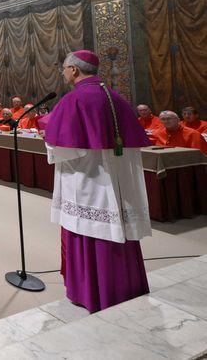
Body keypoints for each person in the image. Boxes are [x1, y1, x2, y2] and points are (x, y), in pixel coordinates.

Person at [42, 50, 151, 313]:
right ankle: (126, 286)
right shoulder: (114, 96)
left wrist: (46, 131)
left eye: (64, 68)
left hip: (89, 182)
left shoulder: (75, 98)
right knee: (115, 226)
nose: (63, 73)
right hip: (117, 180)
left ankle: (93, 292)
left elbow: (62, 147)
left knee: (91, 228)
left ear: (74, 69)